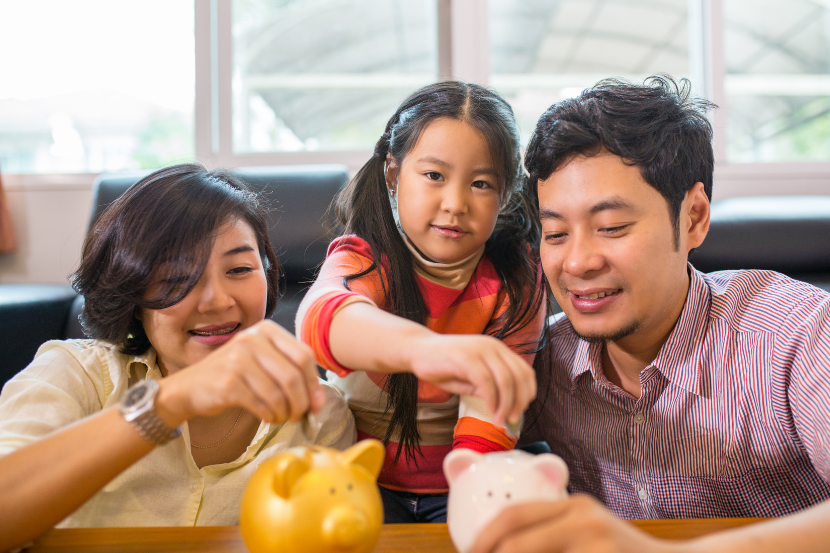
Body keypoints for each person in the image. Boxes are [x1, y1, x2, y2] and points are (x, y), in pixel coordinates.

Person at [471, 76, 830, 553]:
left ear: (694, 217)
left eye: (612, 227)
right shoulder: (544, 360)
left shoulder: (797, 333)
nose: (577, 262)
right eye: (555, 234)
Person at [0, 164, 356, 551]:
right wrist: (171, 401)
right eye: (176, 280)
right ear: (132, 294)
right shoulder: (73, 374)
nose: (218, 301)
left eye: (239, 269)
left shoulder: (318, 413)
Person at [296, 81, 546, 523]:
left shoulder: (517, 277)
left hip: (466, 481)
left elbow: (488, 418)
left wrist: (471, 501)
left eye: (482, 183)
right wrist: (428, 349)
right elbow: (320, 323)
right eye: (434, 176)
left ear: (505, 194)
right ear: (393, 173)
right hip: (356, 479)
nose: (455, 203)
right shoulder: (363, 258)